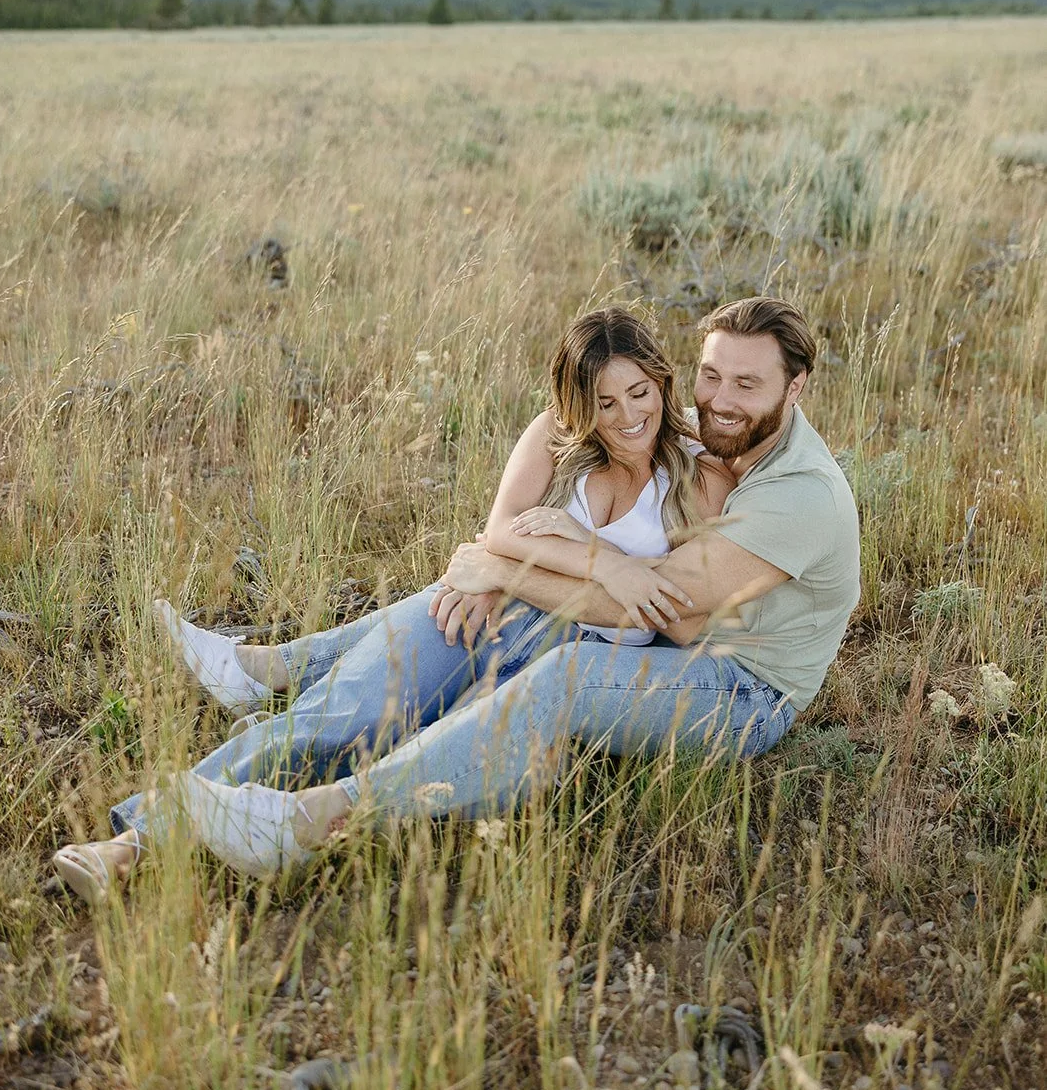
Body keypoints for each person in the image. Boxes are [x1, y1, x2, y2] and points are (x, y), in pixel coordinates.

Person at [108, 296, 861, 881]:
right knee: (378, 692)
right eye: (710, 376)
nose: (718, 399)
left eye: (746, 383)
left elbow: (661, 607)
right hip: (619, 635)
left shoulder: (800, 496)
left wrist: (499, 569)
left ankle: (310, 817)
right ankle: (144, 832)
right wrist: (495, 571)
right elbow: (589, 534)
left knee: (558, 674)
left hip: (738, 690)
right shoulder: (709, 430)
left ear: (795, 387)